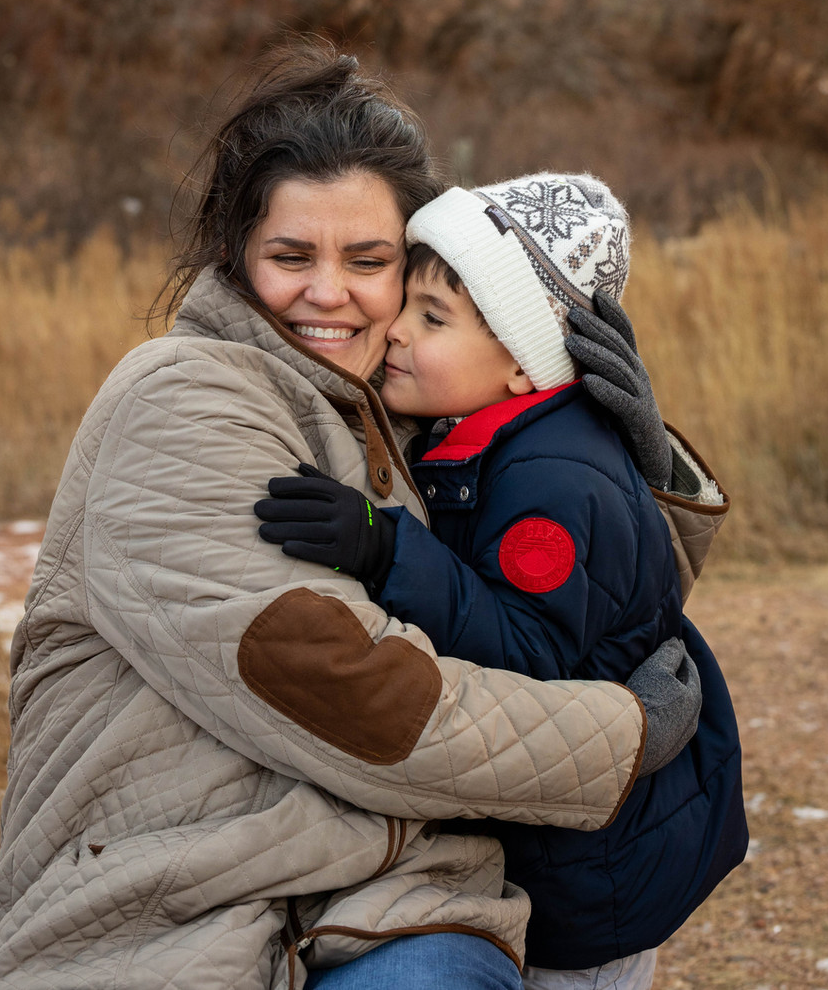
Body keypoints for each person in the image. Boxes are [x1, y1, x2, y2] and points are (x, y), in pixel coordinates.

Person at [0, 50, 713, 990]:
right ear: (234, 253)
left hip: (397, 899)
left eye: (368, 260)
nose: (329, 293)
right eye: (289, 256)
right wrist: (619, 733)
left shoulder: (416, 416)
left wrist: (618, 450)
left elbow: (576, 609)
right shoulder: (179, 399)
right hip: (171, 901)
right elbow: (344, 690)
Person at [257, 171, 747, 989]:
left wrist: (387, 550)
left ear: (524, 364)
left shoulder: (552, 480)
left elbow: (529, 655)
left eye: (433, 317)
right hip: (557, 838)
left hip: (589, 877)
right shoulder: (490, 433)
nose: (397, 332)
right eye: (406, 303)